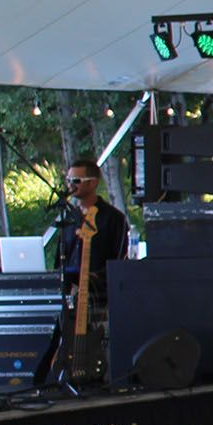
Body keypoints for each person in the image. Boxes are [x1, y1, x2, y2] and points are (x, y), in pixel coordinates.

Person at [50, 158, 129, 383]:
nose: (70, 186)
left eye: (76, 180)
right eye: (68, 180)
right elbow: (60, 259)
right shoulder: (68, 218)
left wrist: (93, 279)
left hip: (98, 295)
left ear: (93, 183)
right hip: (71, 293)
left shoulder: (113, 218)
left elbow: (119, 260)